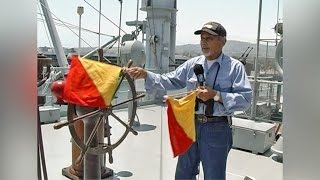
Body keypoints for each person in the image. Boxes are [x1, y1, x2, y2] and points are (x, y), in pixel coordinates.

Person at [127, 21, 252, 180]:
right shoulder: (193, 64)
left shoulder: (235, 68)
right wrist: (146, 74)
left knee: (214, 176)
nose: (204, 42)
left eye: (209, 38)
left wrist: (216, 95)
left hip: (217, 128)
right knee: (183, 173)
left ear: (222, 41)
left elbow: (246, 99)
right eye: (202, 38)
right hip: (190, 124)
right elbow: (170, 80)